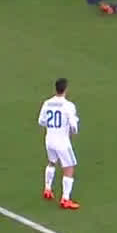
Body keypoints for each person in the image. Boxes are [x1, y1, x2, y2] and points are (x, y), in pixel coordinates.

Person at [37, 77, 80, 209]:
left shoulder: (47, 103)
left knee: (51, 162)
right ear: (66, 89)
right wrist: (73, 131)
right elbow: (74, 126)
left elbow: (41, 121)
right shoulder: (68, 106)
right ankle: (65, 199)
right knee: (69, 167)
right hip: (62, 141)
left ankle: (47, 189)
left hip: (49, 139)